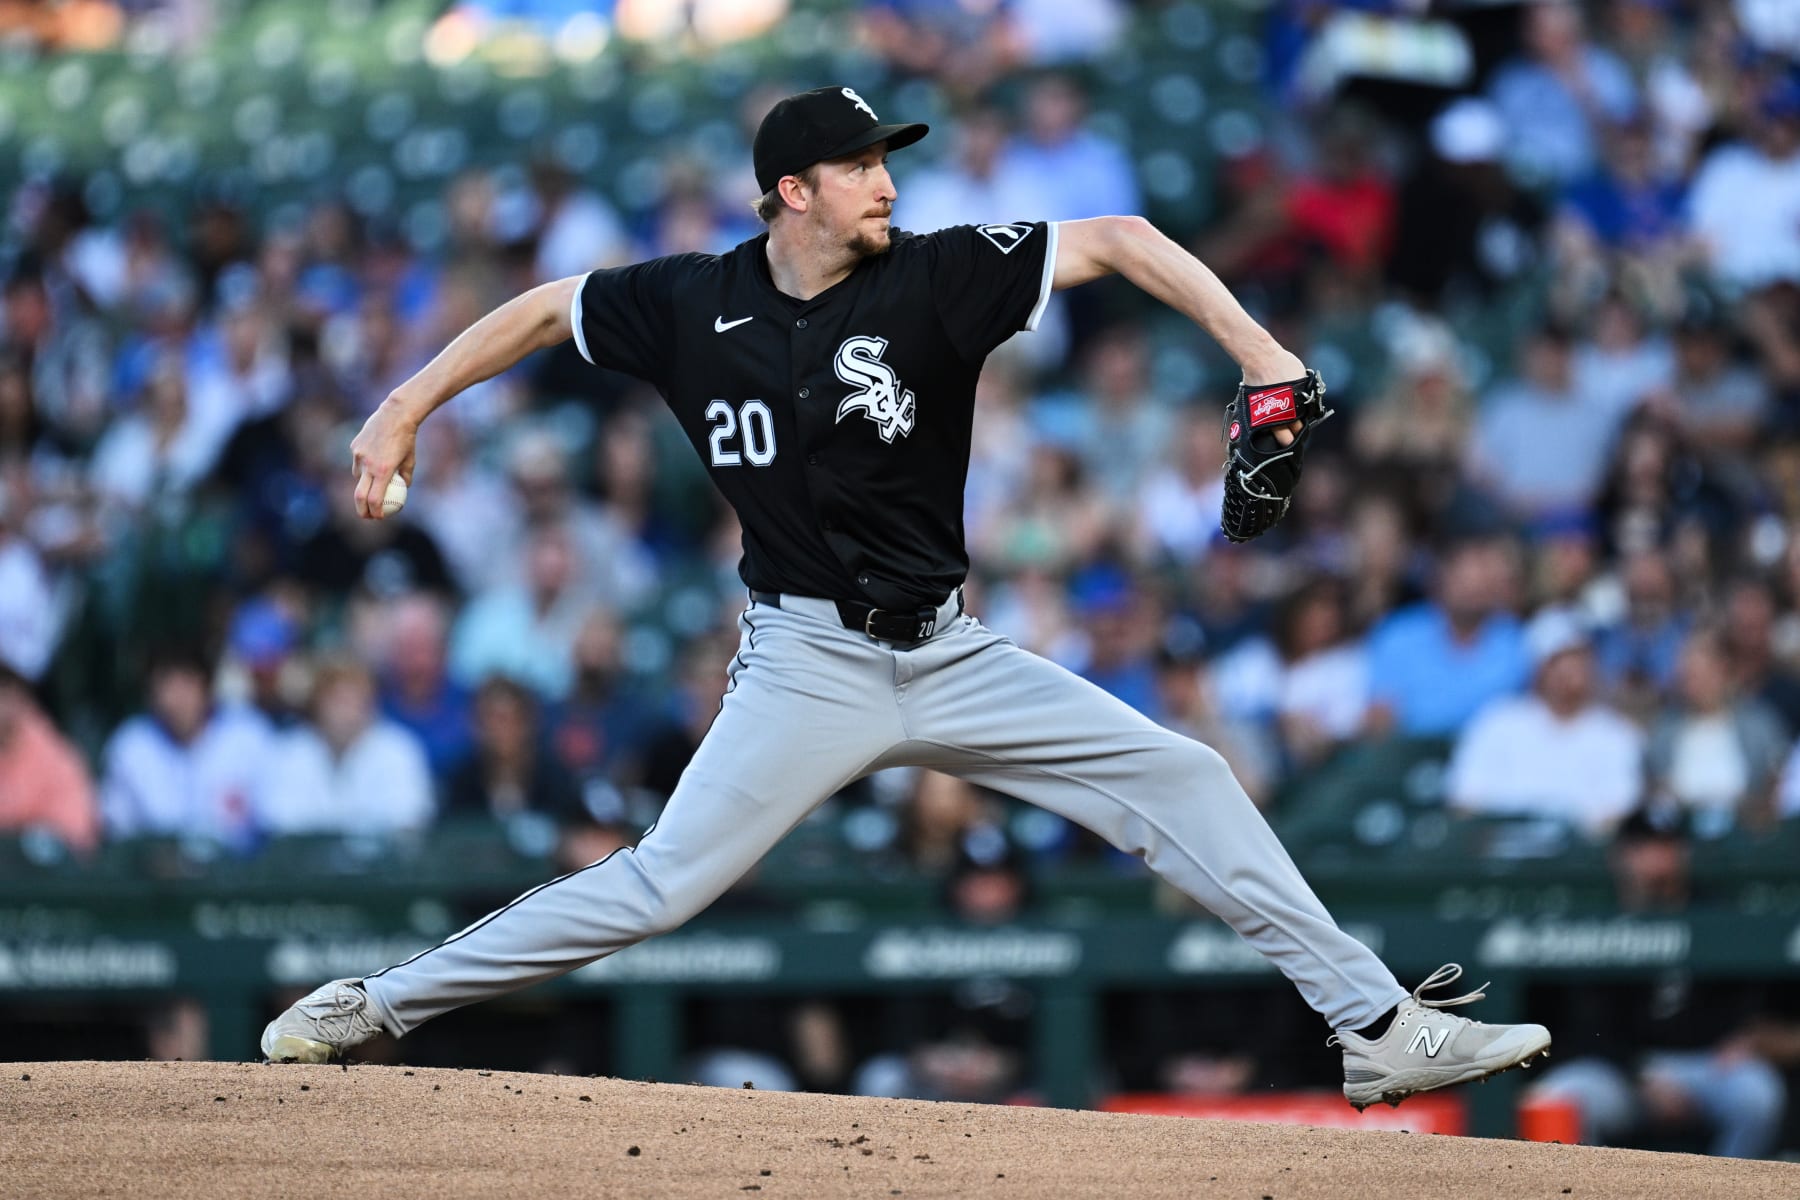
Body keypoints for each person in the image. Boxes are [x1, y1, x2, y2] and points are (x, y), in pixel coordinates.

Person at [262, 84, 1549, 1110]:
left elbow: (1123, 239)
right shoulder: (691, 302)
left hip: (950, 652)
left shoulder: (934, 274)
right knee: (659, 884)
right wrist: (401, 406)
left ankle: (1377, 1029)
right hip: (803, 666)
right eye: (864, 163)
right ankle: (377, 1006)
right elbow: (548, 311)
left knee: (1186, 776)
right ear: (792, 192)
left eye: (890, 157)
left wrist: (1265, 357)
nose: (890, 179)